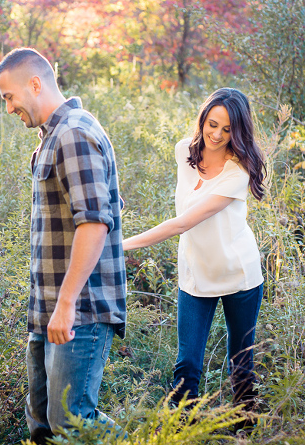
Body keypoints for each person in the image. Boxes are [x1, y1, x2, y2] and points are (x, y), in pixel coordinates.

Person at [0, 48, 126, 443]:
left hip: (78, 309)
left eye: (9, 96)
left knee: (72, 422)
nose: (9, 107)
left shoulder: (74, 134)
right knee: (44, 427)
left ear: (35, 84)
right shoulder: (51, 137)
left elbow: (95, 223)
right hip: (47, 308)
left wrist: (66, 304)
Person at [122, 88, 265, 409]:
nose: (216, 134)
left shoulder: (237, 171)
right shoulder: (182, 151)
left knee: (241, 363)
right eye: (212, 124)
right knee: (186, 366)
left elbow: (182, 223)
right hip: (195, 275)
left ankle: (246, 425)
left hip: (239, 275)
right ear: (202, 119)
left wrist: (118, 246)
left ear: (238, 131)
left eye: (227, 129)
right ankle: (183, 430)